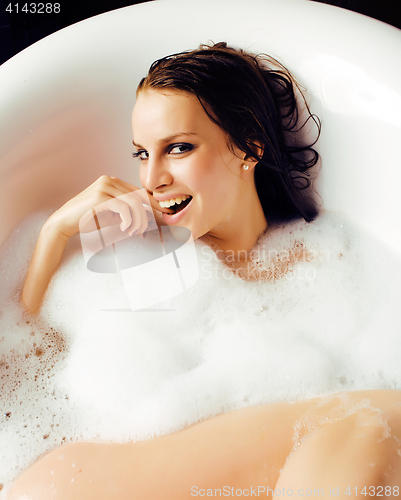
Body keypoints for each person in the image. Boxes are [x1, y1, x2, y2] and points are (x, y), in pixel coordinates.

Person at [12, 42, 401, 498]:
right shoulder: (140, 257)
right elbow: (24, 372)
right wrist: (53, 236)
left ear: (248, 147)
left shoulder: (332, 264)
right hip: (67, 484)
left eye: (177, 148)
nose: (152, 178)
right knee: (371, 421)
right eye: (142, 154)